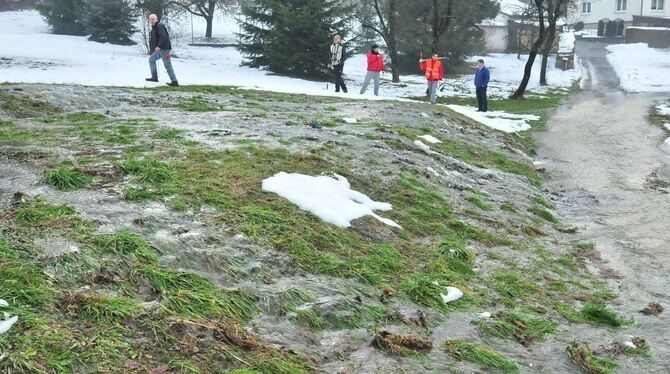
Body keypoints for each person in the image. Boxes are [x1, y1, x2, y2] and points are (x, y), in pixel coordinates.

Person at [145, 14, 179, 87]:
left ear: (156, 19)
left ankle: (174, 81)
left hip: (165, 49)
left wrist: (159, 46)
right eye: (150, 19)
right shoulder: (154, 27)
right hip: (160, 50)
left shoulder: (160, 26)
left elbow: (164, 37)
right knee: (151, 60)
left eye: (152, 19)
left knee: (167, 65)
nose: (151, 21)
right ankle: (154, 77)